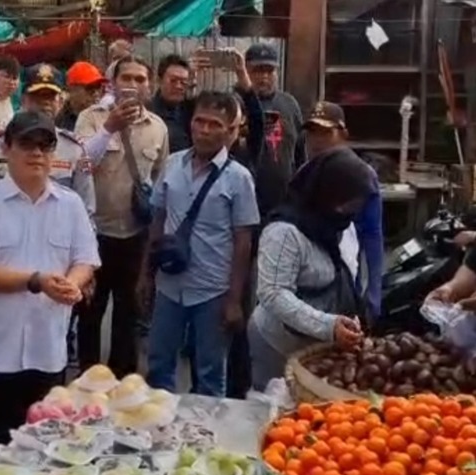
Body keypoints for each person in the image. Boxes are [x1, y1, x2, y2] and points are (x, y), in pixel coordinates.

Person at [0, 110, 100, 470]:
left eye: (45, 145)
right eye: (27, 144)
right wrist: (37, 281)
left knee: (43, 452)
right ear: (6, 149)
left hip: (47, 349)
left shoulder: (70, 204)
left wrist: (72, 284)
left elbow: (86, 259)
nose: (37, 153)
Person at [141, 91, 259, 397]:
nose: (205, 130)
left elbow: (243, 242)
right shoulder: (172, 164)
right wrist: (146, 276)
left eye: (215, 124)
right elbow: (157, 222)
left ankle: (206, 427)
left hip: (212, 291)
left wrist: (234, 300)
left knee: (210, 374)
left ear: (230, 130)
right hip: (169, 286)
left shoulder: (239, 178)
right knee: (158, 366)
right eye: (199, 121)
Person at [248, 147, 373, 391]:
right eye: (348, 203)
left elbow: (349, 272)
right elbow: (273, 293)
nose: (352, 210)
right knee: (277, 401)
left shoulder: (339, 225)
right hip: (278, 343)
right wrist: (327, 325)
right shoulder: (284, 233)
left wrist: (350, 315)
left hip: (319, 346)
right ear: (328, 193)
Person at [75, 55, 169, 377]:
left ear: (149, 86)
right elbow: (80, 164)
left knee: (129, 313)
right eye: (126, 78)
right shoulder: (90, 118)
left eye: (140, 79)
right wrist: (109, 129)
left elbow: (158, 178)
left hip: (134, 235)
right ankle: (87, 379)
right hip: (93, 233)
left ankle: (120, 382)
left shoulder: (157, 128)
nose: (132, 85)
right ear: (112, 84)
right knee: (90, 311)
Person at [303, 101, 384, 319]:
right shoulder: (302, 176)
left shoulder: (361, 177)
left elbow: (372, 235)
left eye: (325, 133)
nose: (317, 140)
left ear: (343, 135)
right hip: (306, 287)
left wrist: (374, 290)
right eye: (312, 133)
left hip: (344, 284)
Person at [21, 64, 97, 218]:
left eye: (50, 97)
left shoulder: (74, 149)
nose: (45, 103)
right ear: (24, 101)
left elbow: (86, 210)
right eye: (37, 96)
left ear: (60, 102)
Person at [244, 42, 305, 218]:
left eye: (269, 71)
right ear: (246, 71)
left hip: (284, 201)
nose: (264, 77)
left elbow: (300, 151)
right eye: (258, 71)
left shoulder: (289, 104)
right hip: (246, 201)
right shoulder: (236, 103)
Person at [149, 54, 196, 153]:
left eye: (183, 82)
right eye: (173, 81)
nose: (178, 86)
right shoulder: (148, 112)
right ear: (159, 80)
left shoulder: (192, 110)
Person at [57, 62, 107, 132]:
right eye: (90, 88)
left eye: (98, 87)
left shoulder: (106, 118)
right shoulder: (60, 122)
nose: (96, 93)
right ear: (72, 90)